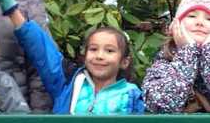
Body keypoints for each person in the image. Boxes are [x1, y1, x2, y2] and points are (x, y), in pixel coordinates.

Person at [14, 19, 145, 114]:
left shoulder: (132, 94)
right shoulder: (70, 85)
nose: (99, 56)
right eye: (93, 49)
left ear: (124, 62)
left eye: (109, 51)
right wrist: (12, 9)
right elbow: (43, 53)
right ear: (85, 55)